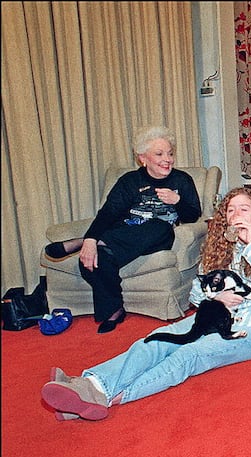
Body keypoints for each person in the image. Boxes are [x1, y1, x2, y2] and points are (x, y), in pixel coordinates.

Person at [40, 187, 251, 421]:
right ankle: (90, 385)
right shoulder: (220, 250)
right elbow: (195, 294)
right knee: (156, 339)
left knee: (189, 354)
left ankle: (103, 398)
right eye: (230, 209)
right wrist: (215, 297)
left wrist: (250, 244)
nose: (236, 214)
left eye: (244, 209)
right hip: (210, 317)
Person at [43, 126, 202, 334]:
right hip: (125, 235)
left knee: (160, 226)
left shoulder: (182, 180)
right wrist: (92, 239)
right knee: (93, 259)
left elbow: (193, 214)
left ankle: (85, 241)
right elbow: (108, 213)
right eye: (159, 154)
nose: (168, 159)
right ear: (142, 158)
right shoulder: (129, 181)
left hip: (157, 236)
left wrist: (177, 200)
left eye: (170, 153)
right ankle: (114, 310)